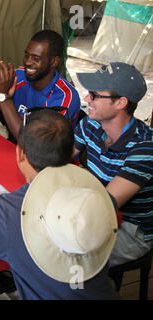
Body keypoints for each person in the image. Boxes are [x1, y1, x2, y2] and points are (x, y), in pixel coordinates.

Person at [0, 109, 119, 299]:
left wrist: (4, 250)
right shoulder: (99, 197)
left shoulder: (7, 211)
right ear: (70, 150)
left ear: (20, 153)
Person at [73, 62, 152, 267]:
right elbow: (57, 159)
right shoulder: (91, 124)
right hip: (97, 212)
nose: (86, 99)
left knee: (68, 258)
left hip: (132, 229)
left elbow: (105, 203)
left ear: (121, 103)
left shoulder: (145, 147)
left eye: (95, 95)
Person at [0, 30, 81, 142]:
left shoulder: (64, 96)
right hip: (16, 148)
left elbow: (34, 142)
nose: (27, 62)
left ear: (54, 62)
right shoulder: (17, 76)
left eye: (36, 58)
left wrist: (5, 98)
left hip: (48, 156)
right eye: (26, 55)